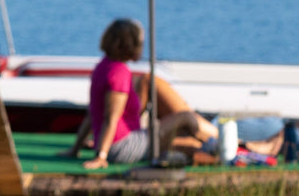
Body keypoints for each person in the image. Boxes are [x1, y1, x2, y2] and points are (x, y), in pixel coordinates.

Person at [72, 18, 217, 170]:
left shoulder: (102, 67)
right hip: (123, 147)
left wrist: (75, 149)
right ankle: (215, 142)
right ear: (130, 46)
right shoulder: (119, 73)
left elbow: (92, 115)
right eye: (140, 43)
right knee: (186, 118)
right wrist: (101, 156)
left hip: (120, 144)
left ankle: (211, 145)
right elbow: (111, 118)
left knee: (183, 140)